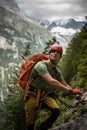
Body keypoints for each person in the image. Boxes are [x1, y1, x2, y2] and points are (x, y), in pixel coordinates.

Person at [24, 44, 81, 130]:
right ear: (49, 54)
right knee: (30, 125)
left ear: (60, 57)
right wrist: (69, 92)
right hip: (31, 96)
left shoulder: (56, 71)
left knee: (55, 111)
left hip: (44, 96)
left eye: (58, 53)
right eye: (53, 52)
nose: (55, 54)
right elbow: (51, 81)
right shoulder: (40, 65)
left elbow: (65, 84)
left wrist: (77, 97)